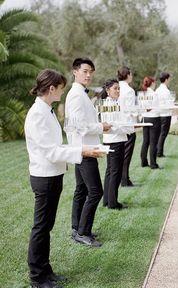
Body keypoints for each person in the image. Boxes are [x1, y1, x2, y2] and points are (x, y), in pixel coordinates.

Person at [25, 69, 103, 288]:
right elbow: (51, 152)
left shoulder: (46, 110)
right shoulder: (38, 114)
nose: (62, 91)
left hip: (53, 174)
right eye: (60, 87)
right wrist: (82, 152)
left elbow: (56, 146)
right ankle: (37, 277)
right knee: (41, 227)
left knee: (46, 226)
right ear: (52, 88)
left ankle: (45, 270)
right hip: (44, 177)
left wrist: (81, 148)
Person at [64, 57, 112, 247]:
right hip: (84, 150)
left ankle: (77, 227)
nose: (89, 75)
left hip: (82, 147)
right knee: (95, 191)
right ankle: (82, 232)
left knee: (81, 190)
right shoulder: (76, 95)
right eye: (85, 71)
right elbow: (80, 126)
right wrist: (102, 126)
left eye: (91, 71)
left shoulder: (80, 94)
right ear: (75, 71)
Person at [100, 79, 134, 209]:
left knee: (110, 171)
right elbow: (110, 126)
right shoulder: (107, 104)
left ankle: (107, 200)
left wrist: (126, 126)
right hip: (114, 140)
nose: (118, 91)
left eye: (119, 88)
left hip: (113, 140)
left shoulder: (115, 103)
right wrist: (128, 128)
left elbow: (118, 123)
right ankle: (113, 203)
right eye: (115, 88)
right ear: (108, 90)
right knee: (115, 172)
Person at [117, 66, 136, 187]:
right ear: (127, 75)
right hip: (127, 126)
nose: (132, 76)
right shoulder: (129, 90)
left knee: (119, 155)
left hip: (117, 125)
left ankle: (122, 178)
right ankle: (124, 179)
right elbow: (130, 110)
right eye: (131, 74)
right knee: (126, 155)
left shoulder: (115, 87)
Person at [140, 76, 161, 169]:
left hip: (145, 118)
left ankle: (143, 161)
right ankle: (153, 164)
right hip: (154, 118)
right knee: (153, 142)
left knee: (145, 141)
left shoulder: (142, 93)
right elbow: (156, 108)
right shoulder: (154, 94)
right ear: (152, 83)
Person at [155, 72, 172, 157]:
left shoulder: (157, 90)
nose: (169, 80)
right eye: (169, 79)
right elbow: (169, 104)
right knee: (163, 134)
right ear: (166, 79)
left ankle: (159, 151)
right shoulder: (166, 91)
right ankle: (159, 152)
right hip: (166, 114)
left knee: (160, 134)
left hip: (159, 114)